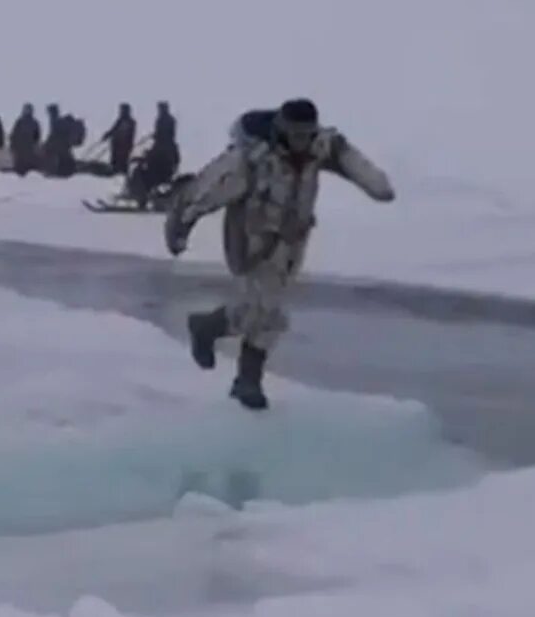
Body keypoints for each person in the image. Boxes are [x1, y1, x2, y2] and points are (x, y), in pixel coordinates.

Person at [167, 99, 395, 409]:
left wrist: (377, 186)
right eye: (295, 134)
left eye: (307, 134)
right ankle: (241, 372)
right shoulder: (252, 158)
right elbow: (208, 189)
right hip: (250, 241)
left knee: (267, 312)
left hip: (290, 244)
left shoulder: (319, 149)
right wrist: (183, 223)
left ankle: (219, 342)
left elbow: (359, 167)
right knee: (262, 310)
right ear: (282, 129)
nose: (301, 141)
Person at [127, 101, 180, 206]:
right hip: (163, 172)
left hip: (158, 174)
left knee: (139, 173)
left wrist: (143, 158)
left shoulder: (163, 145)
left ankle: (141, 198)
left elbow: (154, 159)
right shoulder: (171, 146)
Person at [41, 104, 77, 178]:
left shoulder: (55, 121)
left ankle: (55, 172)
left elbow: (53, 135)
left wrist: (45, 145)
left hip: (59, 149)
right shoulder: (61, 123)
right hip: (65, 148)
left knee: (53, 155)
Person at [102, 103, 137, 175]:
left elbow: (130, 134)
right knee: (116, 158)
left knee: (122, 159)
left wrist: (109, 135)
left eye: (122, 110)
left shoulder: (130, 122)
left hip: (123, 145)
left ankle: (120, 171)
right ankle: (115, 169)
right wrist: (107, 135)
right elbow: (113, 129)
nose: (121, 112)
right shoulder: (121, 120)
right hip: (118, 144)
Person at [9, 104, 42, 176]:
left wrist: (12, 146)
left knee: (21, 169)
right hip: (27, 149)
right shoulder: (33, 122)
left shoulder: (20, 122)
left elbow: (13, 135)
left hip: (22, 149)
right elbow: (37, 137)